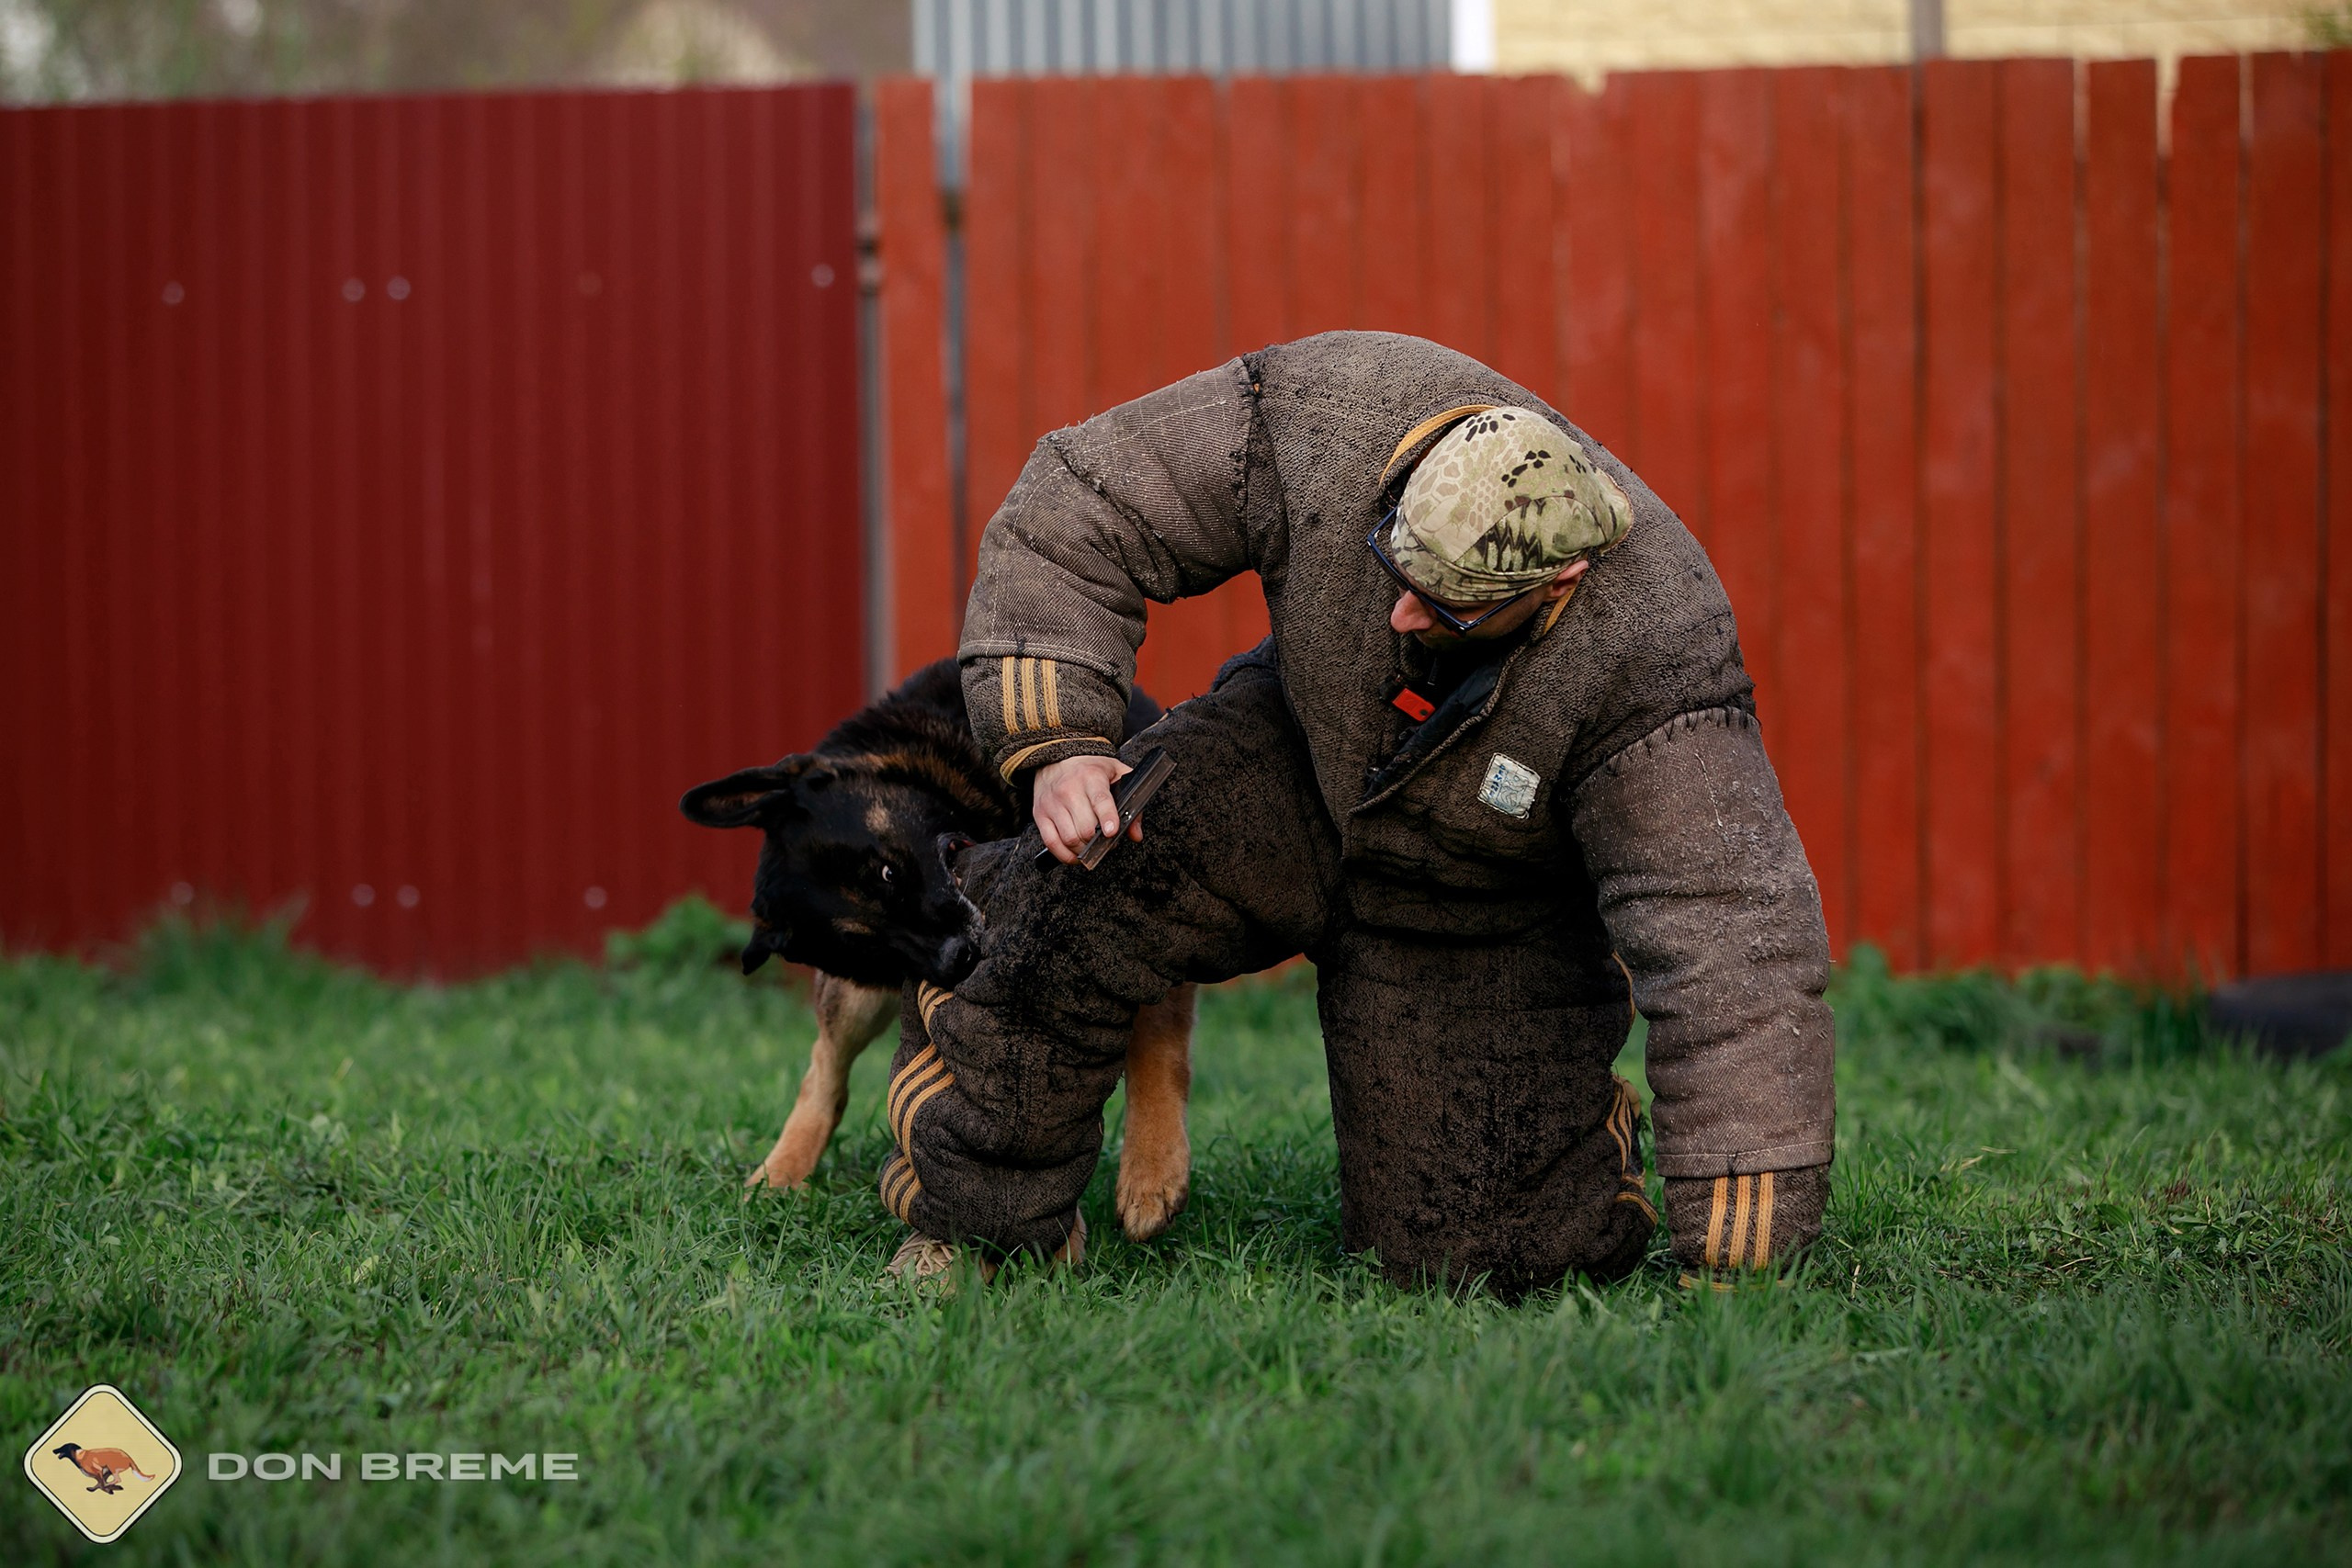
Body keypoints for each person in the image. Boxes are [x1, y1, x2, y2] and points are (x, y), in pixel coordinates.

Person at [885, 331, 1834, 1294]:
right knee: (1085, 875)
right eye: (1397, 568)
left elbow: (1731, 950)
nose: (1401, 618)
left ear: (1560, 583)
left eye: (1447, 606)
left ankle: (1568, 1133)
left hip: (1475, 898)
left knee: (1486, 1259)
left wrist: (1740, 1257)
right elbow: (1083, 499)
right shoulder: (1327, 413)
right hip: (1295, 746)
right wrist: (1057, 743)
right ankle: (975, 1222)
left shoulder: (1659, 655)